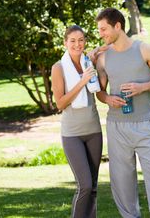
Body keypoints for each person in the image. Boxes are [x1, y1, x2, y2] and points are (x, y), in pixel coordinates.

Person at [93, 8, 150, 218]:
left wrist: (142, 87)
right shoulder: (103, 58)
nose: (101, 34)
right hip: (116, 126)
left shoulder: (144, 49)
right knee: (122, 180)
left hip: (144, 124)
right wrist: (108, 99)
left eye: (104, 29)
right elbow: (100, 92)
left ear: (118, 26)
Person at [51, 25, 102, 218]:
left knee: (94, 187)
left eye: (81, 40)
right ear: (65, 43)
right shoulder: (58, 68)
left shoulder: (89, 62)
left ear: (85, 42)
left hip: (94, 131)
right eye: (72, 40)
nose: (77, 44)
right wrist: (82, 81)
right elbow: (60, 103)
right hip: (72, 134)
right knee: (85, 185)